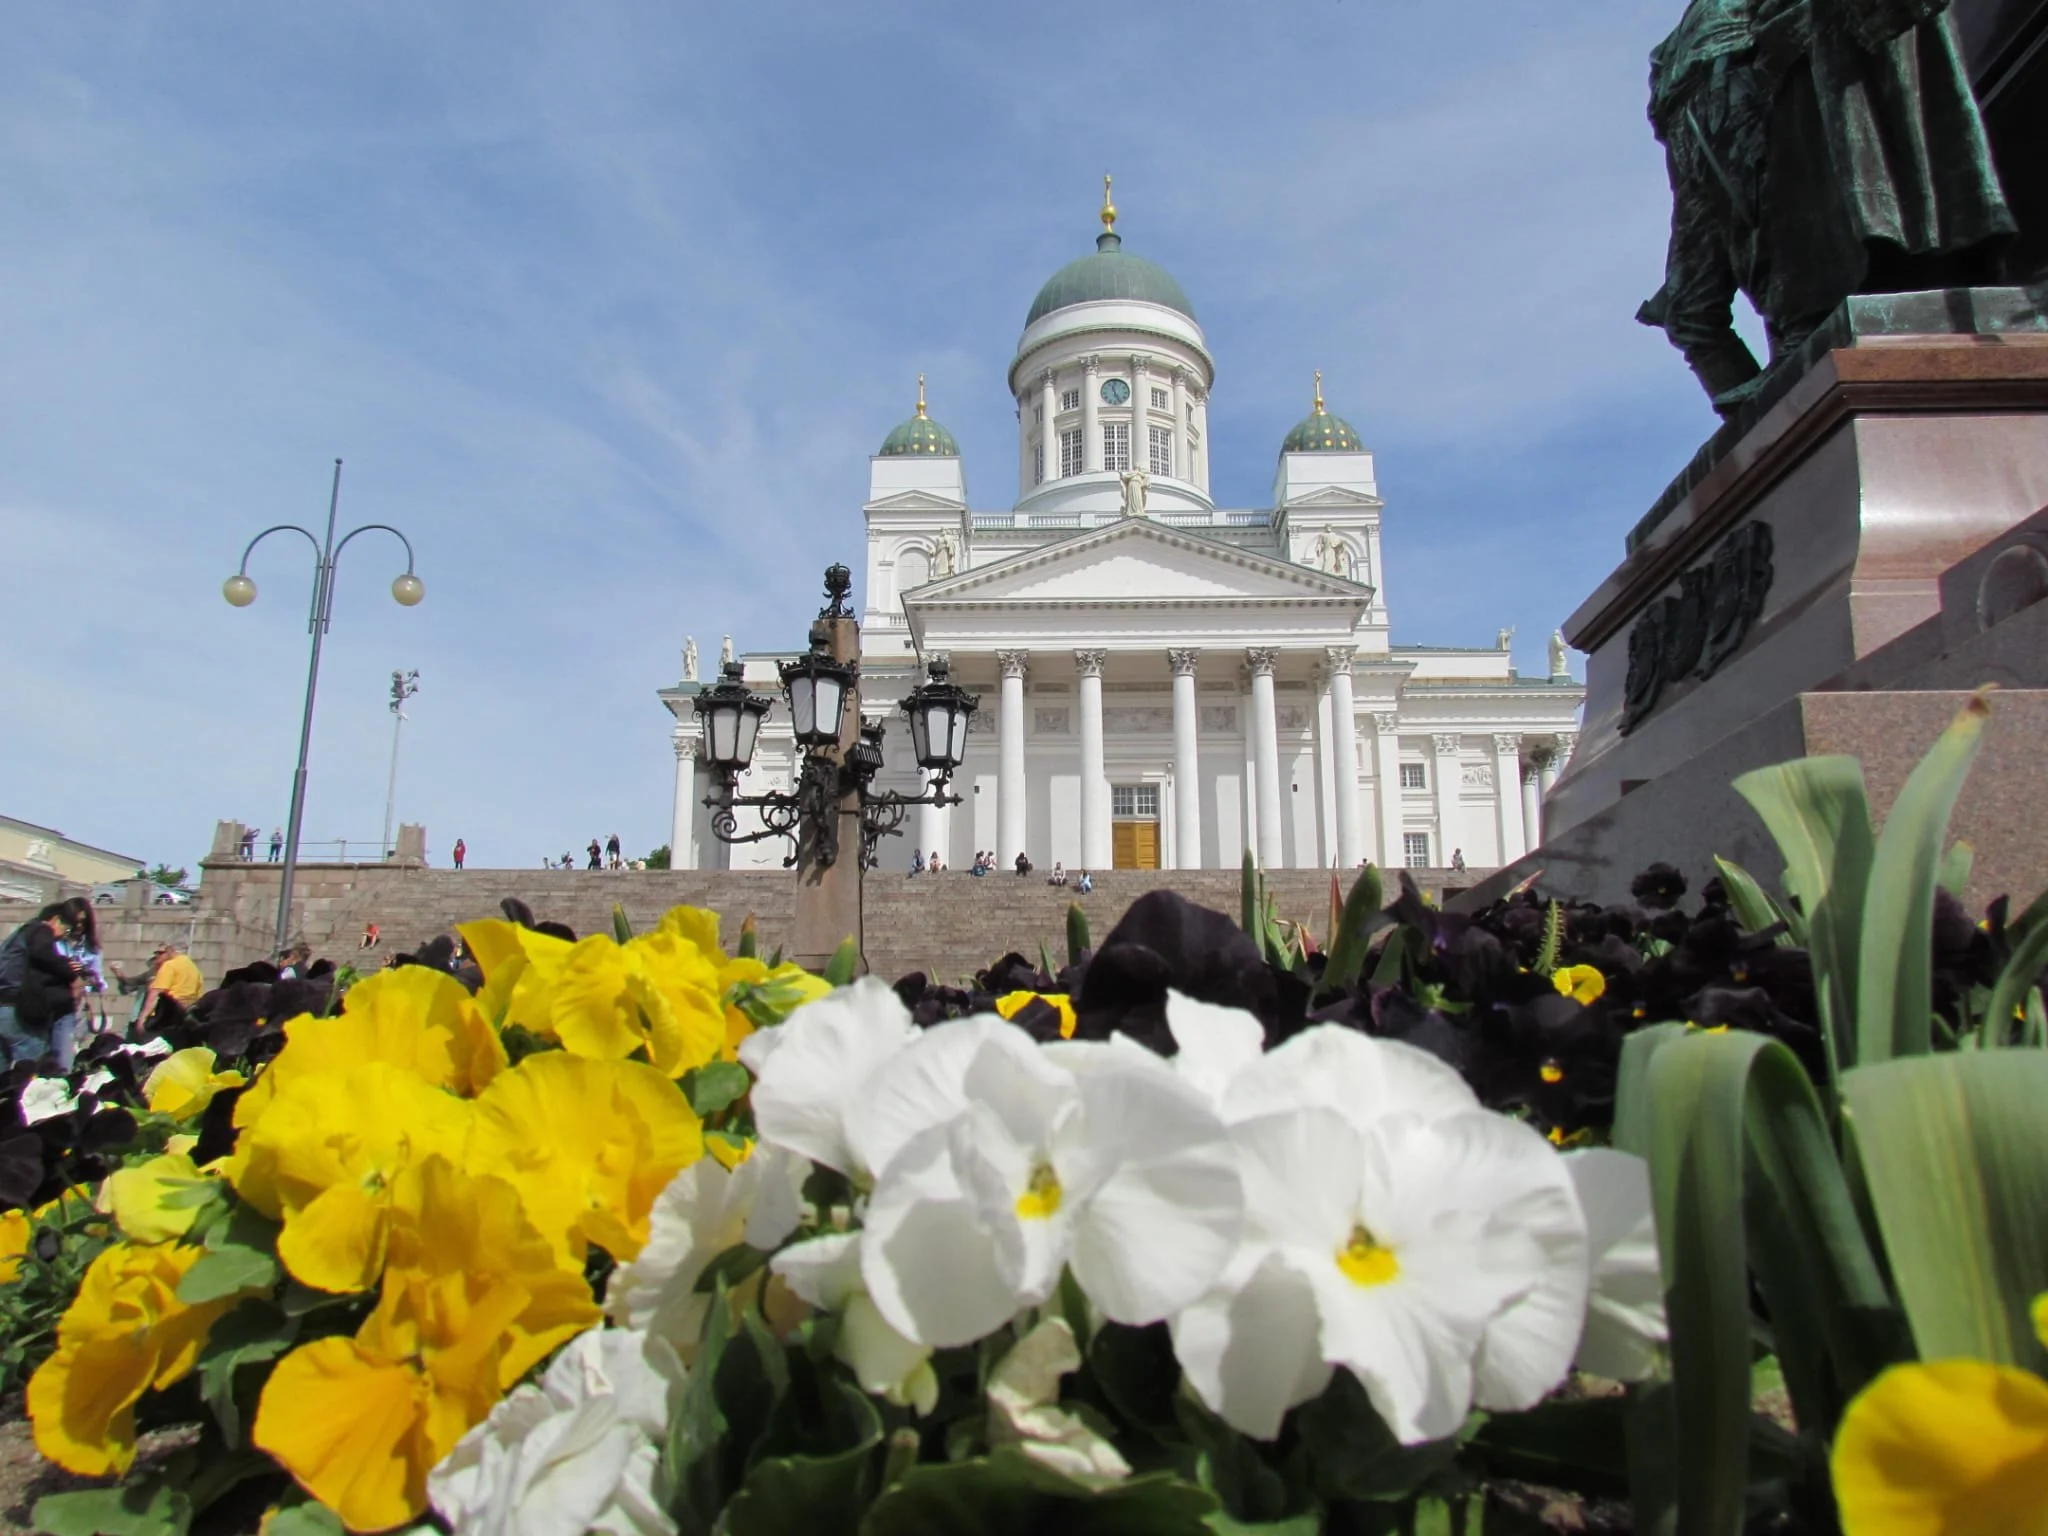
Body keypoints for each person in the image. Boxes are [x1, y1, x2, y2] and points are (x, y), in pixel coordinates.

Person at [0, 905, 84, 1066]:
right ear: (55, 920)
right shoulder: (41, 930)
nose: (63, 936)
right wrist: (69, 971)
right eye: (66, 930)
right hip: (19, 1012)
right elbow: (43, 953)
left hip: (3, 1007)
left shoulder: (17, 936)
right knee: (30, 1066)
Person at [137, 940, 203, 1036]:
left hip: (166, 1016)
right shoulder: (195, 969)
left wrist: (142, 1018)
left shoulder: (170, 965)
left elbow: (156, 993)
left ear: (171, 949)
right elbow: (199, 997)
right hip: (184, 1016)